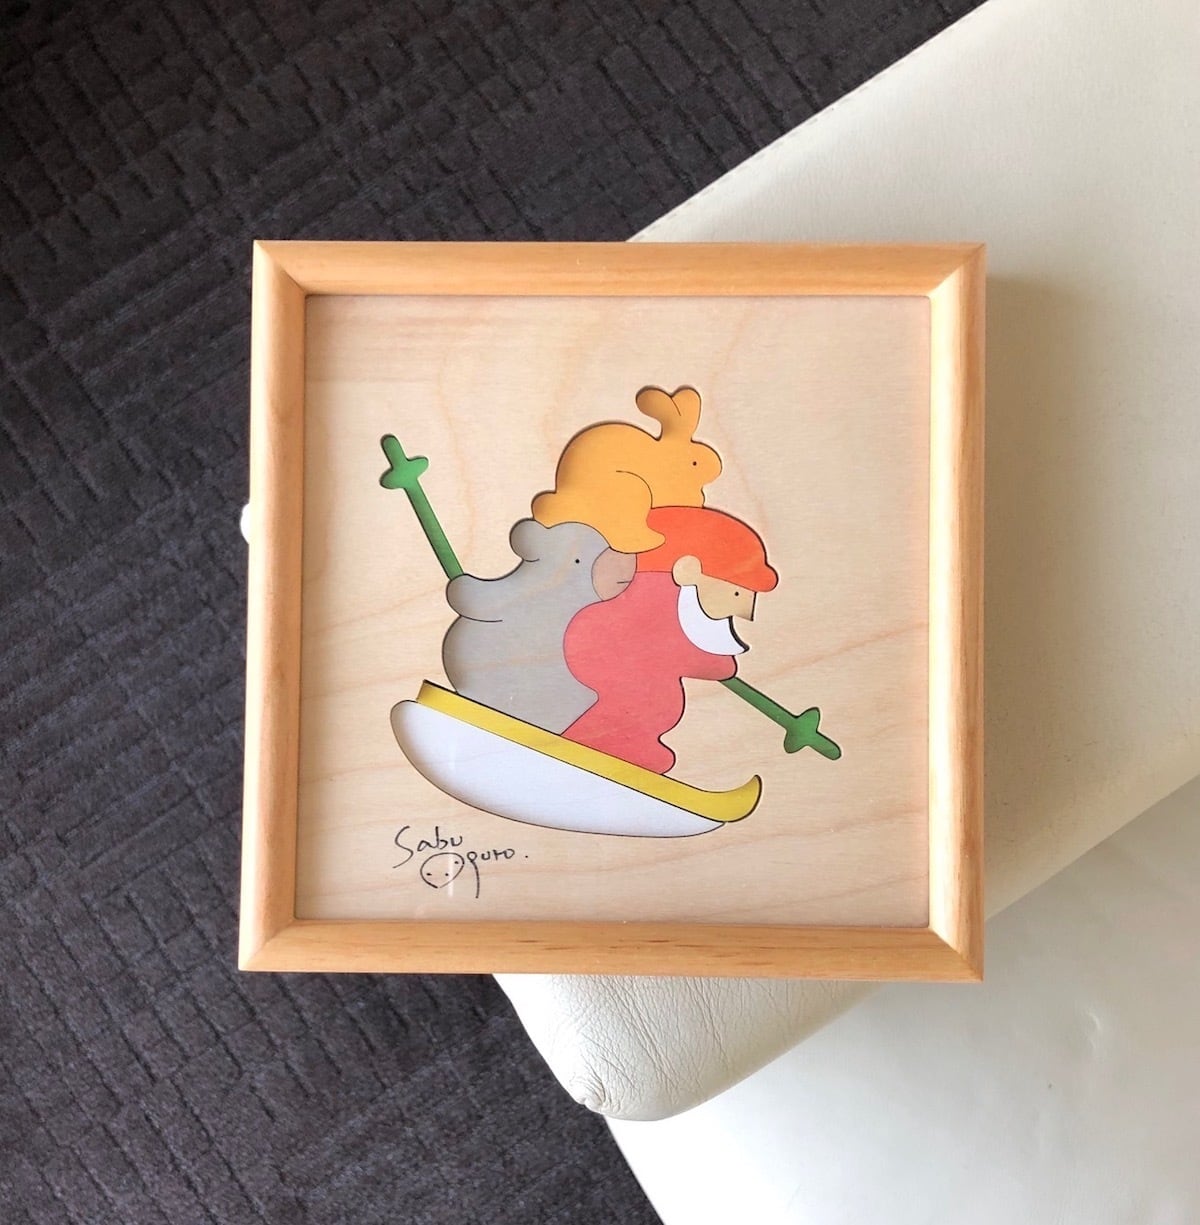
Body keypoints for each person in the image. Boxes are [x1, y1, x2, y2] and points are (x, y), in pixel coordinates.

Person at [561, 505, 778, 774]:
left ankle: (617, 747)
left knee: (652, 705)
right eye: (736, 594)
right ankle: (595, 745)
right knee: (647, 703)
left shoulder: (679, 611)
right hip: (602, 652)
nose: (741, 613)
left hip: (614, 656)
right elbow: (692, 652)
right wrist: (718, 663)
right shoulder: (661, 599)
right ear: (688, 571)